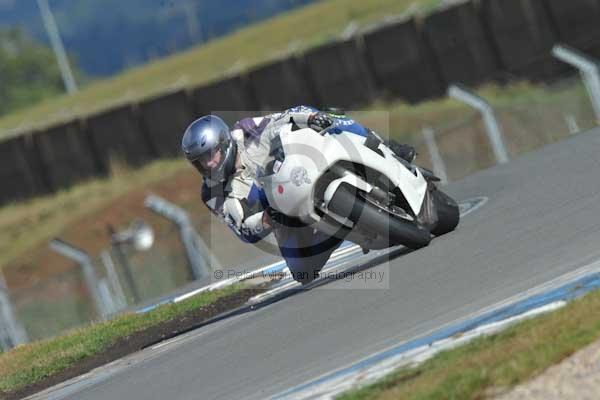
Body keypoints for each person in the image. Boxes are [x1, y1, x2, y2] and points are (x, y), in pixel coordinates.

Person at [181, 106, 416, 284]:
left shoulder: (246, 130)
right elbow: (241, 228)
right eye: (201, 161)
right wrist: (266, 220)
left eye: (211, 154)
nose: (209, 164)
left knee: (330, 116)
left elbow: (283, 117)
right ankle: (342, 228)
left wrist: (312, 118)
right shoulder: (212, 192)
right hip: (281, 213)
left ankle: (387, 146)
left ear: (224, 143)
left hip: (298, 166)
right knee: (302, 272)